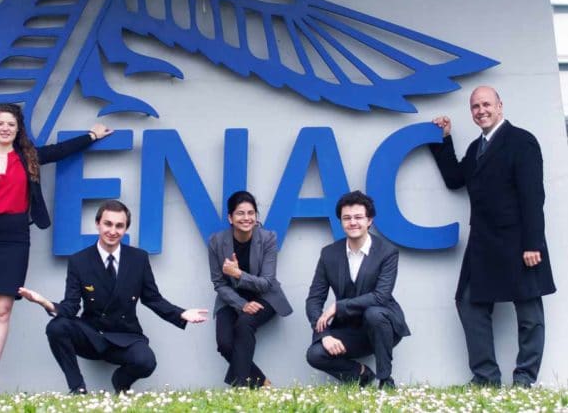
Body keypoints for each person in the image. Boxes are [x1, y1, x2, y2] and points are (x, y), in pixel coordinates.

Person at [0, 103, 112, 393]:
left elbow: (59, 151)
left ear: (18, 129)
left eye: (11, 124)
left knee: (2, 308)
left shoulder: (27, 156)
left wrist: (91, 136)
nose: (5, 128)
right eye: (0, 123)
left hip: (15, 239)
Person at [430, 86, 555, 387]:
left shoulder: (522, 141)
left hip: (519, 242)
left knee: (529, 312)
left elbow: (533, 196)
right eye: (475, 106)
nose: (481, 111)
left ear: (500, 105)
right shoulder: (477, 147)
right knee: (468, 303)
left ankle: (524, 380)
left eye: (486, 104)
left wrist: (533, 243)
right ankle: (486, 378)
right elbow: (455, 179)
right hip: (484, 243)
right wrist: (443, 139)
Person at [19, 200, 208, 394]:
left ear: (125, 229)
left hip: (126, 335)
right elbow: (71, 306)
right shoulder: (79, 261)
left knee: (146, 362)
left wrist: (181, 313)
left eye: (119, 226)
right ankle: (77, 388)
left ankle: (120, 383)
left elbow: (152, 298)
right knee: (57, 327)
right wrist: (45, 303)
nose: (113, 231)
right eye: (108, 224)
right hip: (92, 335)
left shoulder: (138, 259)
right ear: (98, 224)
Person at [306, 191, 410, 389]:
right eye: (347, 218)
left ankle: (385, 380)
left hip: (383, 325)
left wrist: (338, 306)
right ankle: (362, 374)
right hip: (350, 329)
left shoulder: (387, 252)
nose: (352, 222)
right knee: (315, 354)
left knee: (374, 314)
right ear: (341, 221)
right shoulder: (329, 254)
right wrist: (325, 334)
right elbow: (314, 299)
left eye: (358, 217)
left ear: (369, 220)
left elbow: (381, 297)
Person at [207, 191, 292, 388]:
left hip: (265, 297)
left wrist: (238, 274)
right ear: (230, 218)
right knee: (225, 343)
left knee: (244, 324)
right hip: (231, 298)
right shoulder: (216, 242)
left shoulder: (268, 238)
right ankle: (262, 382)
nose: (246, 218)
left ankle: (242, 388)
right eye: (240, 213)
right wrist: (242, 304)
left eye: (251, 213)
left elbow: (266, 283)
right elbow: (219, 283)